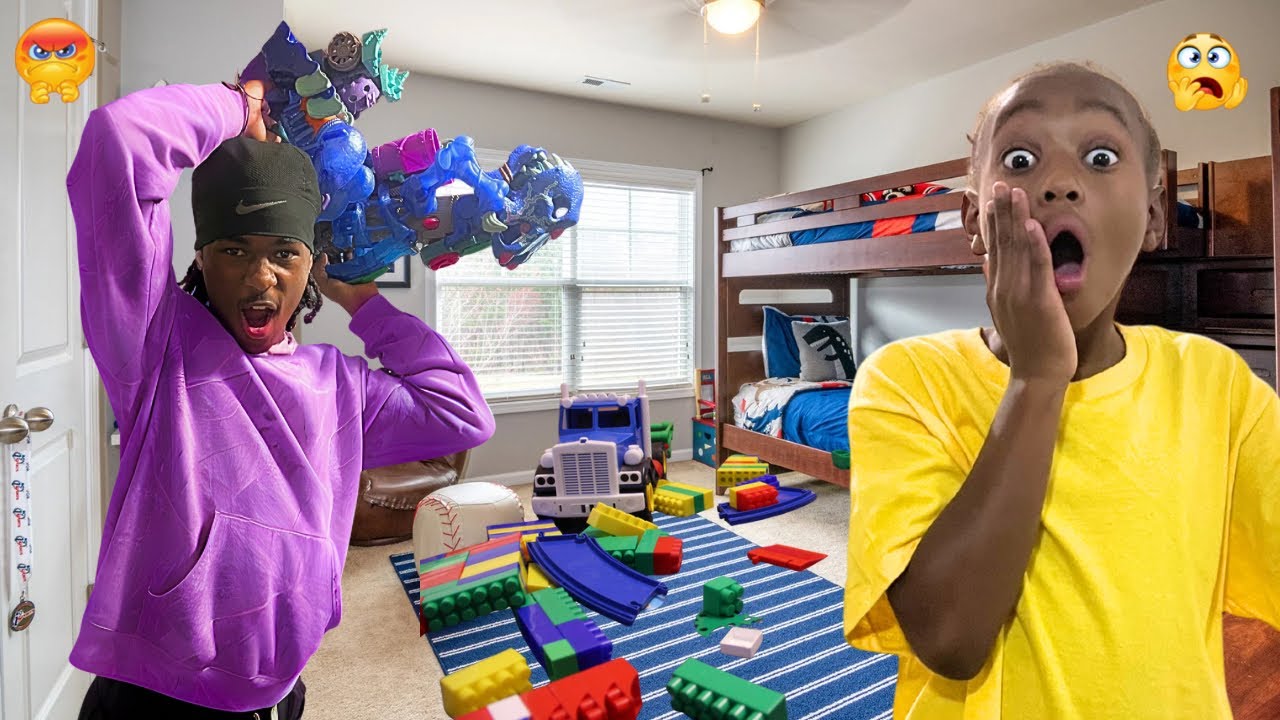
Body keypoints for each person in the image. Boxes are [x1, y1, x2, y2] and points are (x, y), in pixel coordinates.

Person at [843, 61, 1279, 719]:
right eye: (1019, 158)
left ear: (1155, 216)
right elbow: (949, 640)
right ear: (973, 219)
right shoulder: (906, 380)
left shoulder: (1216, 385)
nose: (1058, 184)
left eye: (1100, 156)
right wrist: (1037, 375)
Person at [68, 75, 495, 719]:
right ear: (203, 258)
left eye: (285, 255)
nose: (259, 275)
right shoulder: (157, 350)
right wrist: (236, 105)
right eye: (234, 250)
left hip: (282, 693)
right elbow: (119, 140)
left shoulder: (339, 385)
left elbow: (462, 412)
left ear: (308, 268)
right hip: (159, 698)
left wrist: (364, 299)